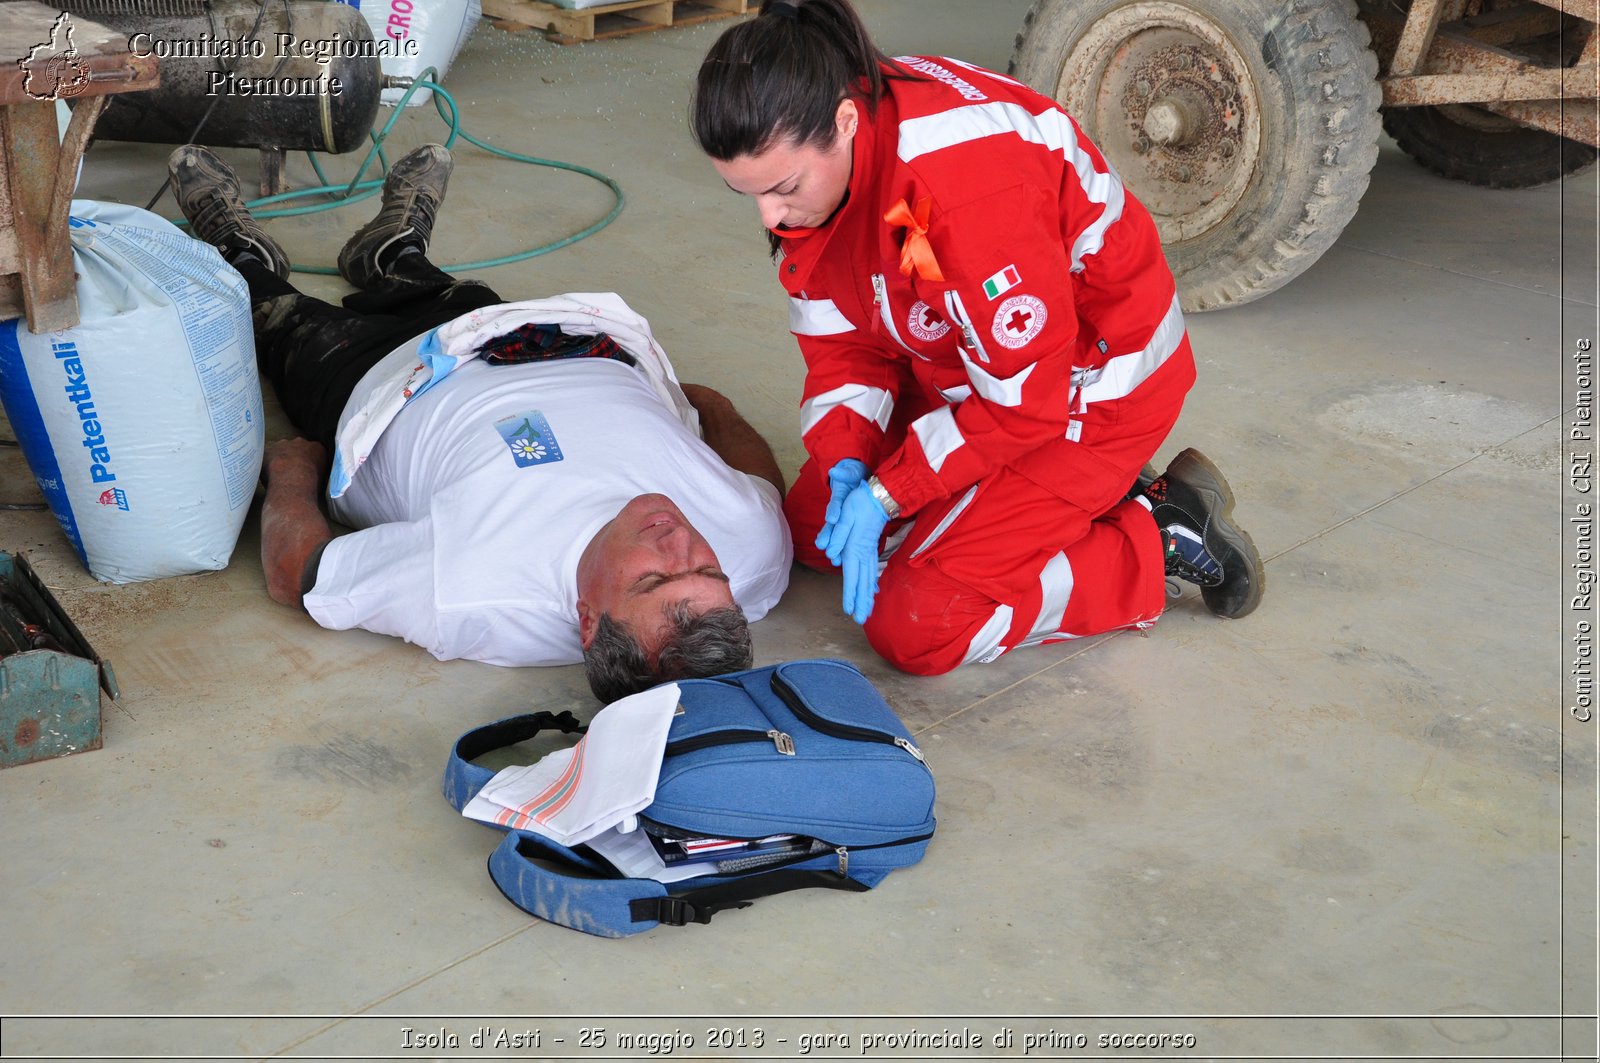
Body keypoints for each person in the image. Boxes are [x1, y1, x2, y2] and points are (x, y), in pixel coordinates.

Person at [688, 0, 1265, 676]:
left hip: (1086, 391)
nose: (771, 215)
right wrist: (849, 459)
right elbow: (844, 338)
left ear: (844, 123)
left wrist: (889, 491)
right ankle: (1047, 503)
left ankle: (1153, 531)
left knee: (919, 623)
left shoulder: (962, 193)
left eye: (782, 188)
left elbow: (1027, 401)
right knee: (812, 533)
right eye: (747, 195)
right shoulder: (840, 144)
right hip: (970, 366)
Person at [166, 142, 793, 701]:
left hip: (379, 385)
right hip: (537, 339)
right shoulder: (753, 555)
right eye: (707, 570)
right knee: (436, 291)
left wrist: (292, 476)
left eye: (653, 578)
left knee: (271, 315)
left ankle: (239, 254)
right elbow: (761, 488)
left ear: (587, 620)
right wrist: (715, 407)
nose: (680, 542)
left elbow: (297, 574)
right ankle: (390, 253)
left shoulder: (474, 592)